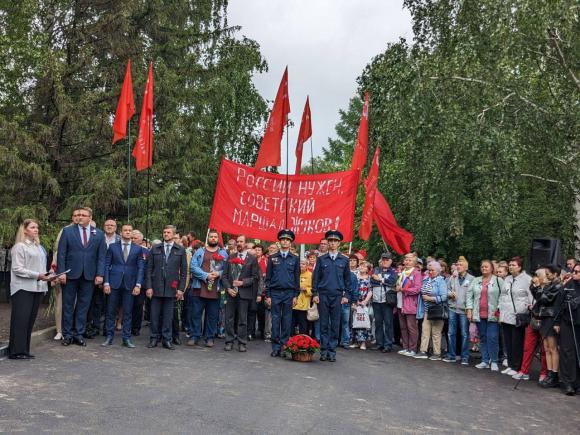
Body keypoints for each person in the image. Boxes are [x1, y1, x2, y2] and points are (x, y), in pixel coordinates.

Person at [57, 207, 106, 347]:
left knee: (83, 306)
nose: (80, 217)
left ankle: (78, 333)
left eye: (83, 215)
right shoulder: (67, 231)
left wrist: (100, 274)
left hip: (89, 276)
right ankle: (67, 334)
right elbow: (61, 253)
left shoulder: (99, 234)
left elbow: (101, 256)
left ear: (90, 217)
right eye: (78, 215)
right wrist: (62, 273)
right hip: (70, 274)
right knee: (67, 305)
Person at [8, 219, 54, 359]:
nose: (36, 230)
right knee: (20, 320)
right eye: (33, 227)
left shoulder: (39, 247)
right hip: (23, 288)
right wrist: (38, 275)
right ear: (25, 230)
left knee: (29, 320)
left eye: (37, 227)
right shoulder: (19, 247)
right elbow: (17, 269)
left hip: (37, 288)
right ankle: (16, 351)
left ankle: (24, 350)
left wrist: (49, 275)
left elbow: (40, 267)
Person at [312, 230, 353, 362]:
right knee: (323, 323)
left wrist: (346, 294)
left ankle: (332, 351)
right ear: (328, 243)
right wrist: (315, 293)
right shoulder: (321, 259)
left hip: (337, 296)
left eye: (335, 241)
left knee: (335, 324)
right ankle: (323, 351)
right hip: (323, 295)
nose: (333, 243)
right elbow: (316, 278)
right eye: (330, 241)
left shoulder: (344, 260)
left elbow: (348, 280)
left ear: (339, 243)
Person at [101, 224, 145, 348]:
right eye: (125, 230)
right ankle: (109, 337)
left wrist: (138, 284)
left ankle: (126, 338)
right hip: (113, 283)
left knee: (127, 312)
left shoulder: (138, 249)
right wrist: (106, 282)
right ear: (121, 232)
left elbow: (141, 268)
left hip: (130, 284)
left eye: (129, 230)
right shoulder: (112, 247)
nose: (127, 232)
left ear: (132, 233)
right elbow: (106, 265)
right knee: (110, 311)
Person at [145, 225, 187, 350]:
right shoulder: (155, 248)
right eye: (164, 232)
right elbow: (149, 269)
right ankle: (153, 338)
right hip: (156, 287)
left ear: (173, 234)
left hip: (171, 288)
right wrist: (148, 287)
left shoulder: (180, 249)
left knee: (169, 316)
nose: (166, 234)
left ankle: (167, 339)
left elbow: (184, 272)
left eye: (168, 232)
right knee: (154, 315)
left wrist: (180, 289)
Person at [188, 229, 228, 347]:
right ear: (208, 238)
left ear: (218, 239)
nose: (213, 239)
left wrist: (218, 274)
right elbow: (193, 267)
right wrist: (206, 275)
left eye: (215, 237)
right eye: (211, 237)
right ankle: (194, 336)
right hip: (199, 287)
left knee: (212, 315)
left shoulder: (223, 253)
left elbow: (227, 269)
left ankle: (209, 337)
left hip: (215, 289)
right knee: (196, 313)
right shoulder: (200, 251)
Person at [264, 230, 300, 357]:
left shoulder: (295, 258)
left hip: (289, 294)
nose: (285, 241)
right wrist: (268, 295)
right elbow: (268, 278)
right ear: (280, 241)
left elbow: (297, 279)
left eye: (288, 240)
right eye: (283, 239)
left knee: (286, 321)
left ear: (290, 243)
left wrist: (296, 295)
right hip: (275, 293)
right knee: (275, 320)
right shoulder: (272, 258)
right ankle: (275, 347)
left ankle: (285, 346)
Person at [221, 234, 259, 352]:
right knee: (229, 318)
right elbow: (225, 276)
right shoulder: (230, 257)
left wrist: (242, 283)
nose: (238, 243)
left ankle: (242, 342)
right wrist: (228, 288)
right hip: (231, 293)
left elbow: (255, 277)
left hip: (244, 293)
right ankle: (229, 341)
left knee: (243, 319)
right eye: (237, 241)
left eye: (241, 241)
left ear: (245, 244)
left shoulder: (252, 259)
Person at [498, 257, 532, 377]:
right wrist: (500, 310)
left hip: (518, 315)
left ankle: (517, 366)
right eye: (510, 265)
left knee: (517, 342)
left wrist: (527, 308)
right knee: (508, 342)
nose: (510, 267)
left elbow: (531, 296)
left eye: (513, 265)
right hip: (506, 314)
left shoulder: (527, 279)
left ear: (520, 267)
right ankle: (511, 365)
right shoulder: (507, 279)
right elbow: (503, 296)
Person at [466, 260, 504, 371]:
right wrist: (469, 310)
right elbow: (469, 295)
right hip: (479, 314)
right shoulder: (476, 280)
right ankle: (485, 361)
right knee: (482, 338)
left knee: (492, 338)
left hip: (493, 314)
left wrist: (500, 309)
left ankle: (494, 361)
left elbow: (504, 296)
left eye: (486, 267)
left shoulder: (498, 280)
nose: (484, 268)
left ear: (492, 268)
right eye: (482, 267)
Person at [532, 264, 564, 388]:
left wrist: (539, 287)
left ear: (555, 273)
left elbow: (546, 299)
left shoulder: (557, 286)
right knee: (546, 348)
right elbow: (538, 298)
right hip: (545, 318)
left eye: (548, 273)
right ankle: (550, 373)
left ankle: (554, 375)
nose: (546, 275)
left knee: (553, 348)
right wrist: (535, 287)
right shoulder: (550, 285)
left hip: (551, 318)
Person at [51, 209, 80, 340]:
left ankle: (71, 329)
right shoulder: (65, 230)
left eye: (79, 215)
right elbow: (57, 252)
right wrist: (55, 273)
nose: (77, 218)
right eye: (74, 215)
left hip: (79, 274)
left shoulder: (89, 230)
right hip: (62, 273)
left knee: (76, 304)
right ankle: (59, 330)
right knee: (60, 302)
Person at [414, 261, 448, 360]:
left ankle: (437, 353)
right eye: (429, 270)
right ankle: (423, 351)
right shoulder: (425, 280)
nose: (430, 272)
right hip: (426, 310)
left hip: (437, 310)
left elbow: (444, 297)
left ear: (438, 271)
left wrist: (431, 299)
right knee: (425, 331)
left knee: (436, 333)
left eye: (432, 270)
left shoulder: (441, 281)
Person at [443, 256, 474, 364]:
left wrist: (470, 309)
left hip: (464, 310)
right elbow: (445, 290)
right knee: (451, 333)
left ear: (466, 267)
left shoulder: (471, 279)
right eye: (457, 265)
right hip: (452, 308)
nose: (458, 267)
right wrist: (449, 293)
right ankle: (452, 356)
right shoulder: (453, 277)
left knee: (464, 334)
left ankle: (464, 357)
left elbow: (473, 295)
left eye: (460, 265)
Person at [555, 263, 580, 395]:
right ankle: (568, 383)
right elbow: (559, 304)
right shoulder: (568, 286)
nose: (574, 273)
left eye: (577, 272)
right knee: (567, 352)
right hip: (567, 322)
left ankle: (577, 383)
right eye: (574, 271)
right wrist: (557, 322)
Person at [396, 253, 423, 357]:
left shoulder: (416, 273)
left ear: (414, 262)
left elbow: (417, 289)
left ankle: (413, 348)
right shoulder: (403, 272)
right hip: (400, 303)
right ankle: (405, 347)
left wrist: (403, 289)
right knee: (403, 327)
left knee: (411, 327)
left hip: (410, 304)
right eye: (406, 259)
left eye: (410, 260)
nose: (407, 261)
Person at [370, 252, 398, 353]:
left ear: (390, 261)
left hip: (387, 301)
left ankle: (388, 344)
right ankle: (379, 343)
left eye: (387, 260)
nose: (385, 261)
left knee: (388, 323)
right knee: (378, 323)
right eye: (383, 259)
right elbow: (372, 282)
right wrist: (383, 280)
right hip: (376, 300)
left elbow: (393, 282)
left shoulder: (393, 272)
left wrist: (380, 279)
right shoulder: (376, 270)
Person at [351, 262, 373, 350]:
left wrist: (365, 301)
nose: (362, 267)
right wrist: (354, 301)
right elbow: (352, 289)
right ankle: (355, 341)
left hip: (365, 302)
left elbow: (371, 290)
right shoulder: (355, 277)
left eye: (364, 266)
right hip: (355, 301)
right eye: (361, 266)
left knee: (364, 322)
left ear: (368, 269)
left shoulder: (370, 278)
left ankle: (363, 343)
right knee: (354, 321)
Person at [292, 259, 312, 335]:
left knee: (303, 323)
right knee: (292, 323)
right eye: (300, 264)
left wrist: (306, 289)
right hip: (293, 302)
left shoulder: (310, 275)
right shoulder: (294, 274)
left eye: (303, 264)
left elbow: (314, 289)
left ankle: (303, 340)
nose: (301, 265)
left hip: (304, 304)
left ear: (307, 265)